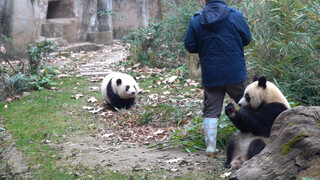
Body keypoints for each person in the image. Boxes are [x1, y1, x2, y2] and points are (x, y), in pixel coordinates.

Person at [184, 0, 252, 156]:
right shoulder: (235, 15)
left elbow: (190, 45)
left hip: (211, 74)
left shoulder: (197, 19)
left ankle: (211, 147)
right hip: (235, 72)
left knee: (211, 109)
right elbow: (247, 39)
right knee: (247, 104)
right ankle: (253, 137)